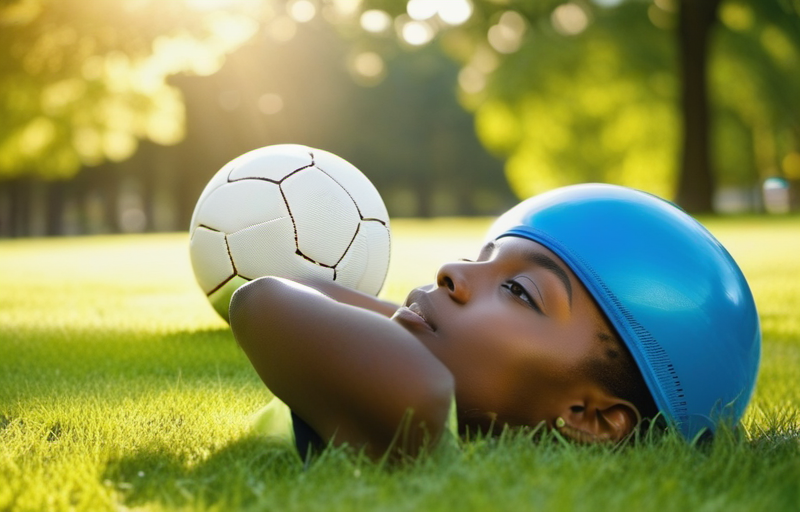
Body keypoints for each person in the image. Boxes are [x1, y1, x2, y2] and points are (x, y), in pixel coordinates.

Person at [229, 184, 761, 461]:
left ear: (590, 418)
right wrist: (417, 321)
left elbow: (266, 298)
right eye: (481, 258)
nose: (453, 272)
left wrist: (411, 325)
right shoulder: (409, 374)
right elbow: (309, 290)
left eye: (517, 290)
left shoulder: (416, 402)